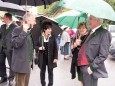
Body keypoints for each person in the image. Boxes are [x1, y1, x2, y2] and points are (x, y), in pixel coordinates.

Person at [77, 15, 111, 86]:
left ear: (97, 20)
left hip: (89, 68)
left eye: (90, 19)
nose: (88, 21)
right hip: (82, 66)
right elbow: (86, 48)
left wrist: (92, 68)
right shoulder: (90, 31)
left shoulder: (104, 33)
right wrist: (79, 43)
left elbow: (103, 55)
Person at [11, 12, 36, 86]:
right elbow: (15, 44)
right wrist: (23, 32)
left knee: (25, 84)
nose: (35, 22)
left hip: (28, 63)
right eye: (34, 20)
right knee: (20, 84)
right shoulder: (17, 29)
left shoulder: (29, 31)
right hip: (20, 64)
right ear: (28, 21)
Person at [34, 21, 58, 86]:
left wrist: (55, 57)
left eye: (51, 29)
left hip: (51, 58)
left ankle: (50, 84)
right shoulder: (40, 37)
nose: (50, 30)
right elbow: (35, 46)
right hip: (42, 58)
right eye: (49, 29)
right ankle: (43, 84)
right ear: (44, 29)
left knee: (50, 72)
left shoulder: (52, 38)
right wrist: (39, 48)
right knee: (42, 72)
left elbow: (56, 48)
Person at [0, 13, 17, 85]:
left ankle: (11, 79)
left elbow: (17, 39)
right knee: (0, 63)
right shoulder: (2, 26)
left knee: (11, 64)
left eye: (3, 17)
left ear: (7, 18)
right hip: (1, 48)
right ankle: (3, 77)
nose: (2, 19)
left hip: (10, 49)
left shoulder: (15, 27)